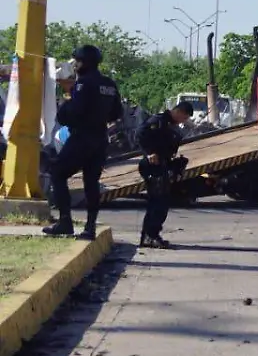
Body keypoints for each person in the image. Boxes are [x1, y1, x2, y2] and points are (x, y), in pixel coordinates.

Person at [42, 45, 123, 240]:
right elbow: (117, 113)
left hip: (82, 137)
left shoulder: (83, 84)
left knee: (57, 173)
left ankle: (65, 221)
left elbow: (73, 113)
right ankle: (90, 227)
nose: (75, 66)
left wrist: (65, 106)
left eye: (76, 62)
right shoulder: (109, 84)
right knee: (91, 183)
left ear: (84, 62)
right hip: (100, 139)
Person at [136, 101, 193, 248]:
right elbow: (140, 134)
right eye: (184, 117)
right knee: (157, 202)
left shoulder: (169, 125)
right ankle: (149, 236)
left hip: (162, 165)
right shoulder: (159, 120)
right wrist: (149, 153)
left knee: (161, 202)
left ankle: (152, 234)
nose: (184, 121)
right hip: (152, 165)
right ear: (178, 111)